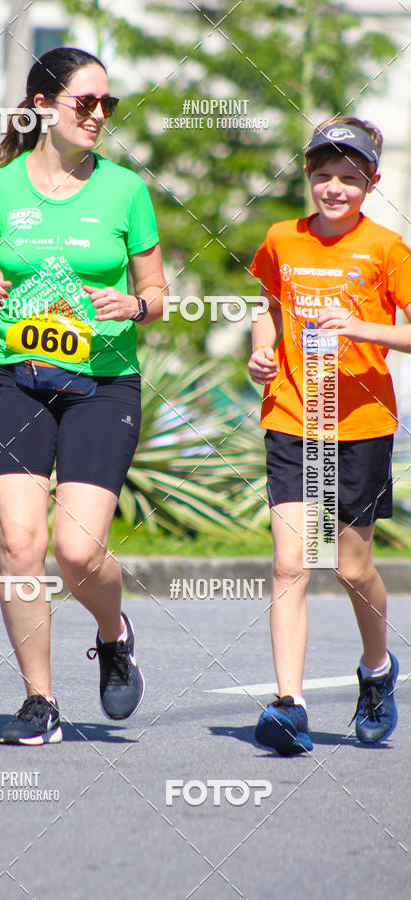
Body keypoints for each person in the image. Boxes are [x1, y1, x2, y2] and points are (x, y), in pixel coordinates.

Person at [0, 47, 166, 745]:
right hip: (19, 381)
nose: (99, 115)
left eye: (108, 105)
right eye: (85, 103)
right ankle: (40, 700)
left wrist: (135, 304)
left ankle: (113, 631)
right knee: (18, 542)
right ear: (41, 106)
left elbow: (158, 295)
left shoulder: (126, 190)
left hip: (102, 385)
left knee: (76, 551)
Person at [247, 116, 411, 755]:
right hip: (293, 415)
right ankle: (290, 705)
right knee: (290, 562)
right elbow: (267, 308)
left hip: (362, 424)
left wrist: (362, 329)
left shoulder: (389, 249)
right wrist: (261, 354)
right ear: (308, 177)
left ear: (370, 181)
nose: (333, 188)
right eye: (322, 175)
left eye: (348, 177)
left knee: (350, 568)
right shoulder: (281, 239)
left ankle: (376, 670)